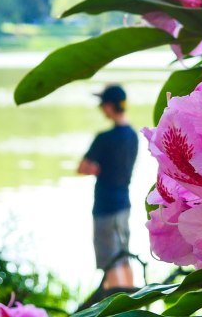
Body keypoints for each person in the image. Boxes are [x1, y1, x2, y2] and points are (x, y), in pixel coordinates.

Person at [77, 84, 139, 289]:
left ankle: (115, 301)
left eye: (102, 104)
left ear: (110, 106)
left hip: (105, 207)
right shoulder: (133, 135)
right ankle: (133, 299)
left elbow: (81, 168)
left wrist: (95, 169)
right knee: (124, 256)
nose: (101, 108)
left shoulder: (104, 138)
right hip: (124, 204)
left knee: (110, 263)